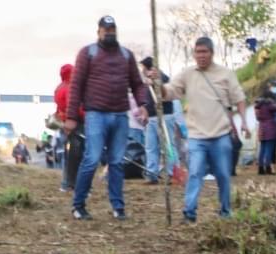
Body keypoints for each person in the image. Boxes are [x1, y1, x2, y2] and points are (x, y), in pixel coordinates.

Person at [148, 36, 249, 224]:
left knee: (223, 174)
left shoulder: (225, 74)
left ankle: (225, 210)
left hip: (220, 134)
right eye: (198, 52)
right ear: (193, 54)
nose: (201, 56)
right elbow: (169, 93)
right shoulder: (187, 74)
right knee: (195, 172)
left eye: (204, 52)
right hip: (196, 136)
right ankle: (189, 212)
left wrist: (243, 121)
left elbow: (239, 98)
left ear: (212, 53)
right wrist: (158, 83)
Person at [65, 15, 150, 221]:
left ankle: (118, 207)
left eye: (112, 30)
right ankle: (79, 204)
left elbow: (137, 84)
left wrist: (144, 105)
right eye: (105, 30)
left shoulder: (126, 55)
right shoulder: (88, 53)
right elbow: (76, 86)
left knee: (117, 162)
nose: (109, 33)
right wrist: (71, 116)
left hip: (120, 115)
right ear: (99, 32)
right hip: (96, 114)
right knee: (91, 159)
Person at [140, 57, 179, 185]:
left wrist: (156, 81)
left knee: (168, 145)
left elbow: (165, 94)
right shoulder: (146, 82)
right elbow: (146, 100)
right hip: (151, 118)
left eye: (143, 68)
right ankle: (152, 174)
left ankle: (172, 173)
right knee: (151, 146)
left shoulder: (163, 77)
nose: (142, 70)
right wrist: (145, 110)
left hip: (165, 116)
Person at [54, 63, 83, 192]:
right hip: (75, 124)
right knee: (77, 155)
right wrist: (86, 115)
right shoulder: (71, 88)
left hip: (63, 124)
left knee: (68, 155)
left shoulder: (58, 88)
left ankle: (66, 183)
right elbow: (75, 108)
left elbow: (58, 108)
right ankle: (74, 184)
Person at [253, 85, 276, 175]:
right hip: (270, 129)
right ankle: (268, 168)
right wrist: (275, 102)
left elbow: (257, 117)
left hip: (262, 129)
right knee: (269, 149)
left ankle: (261, 169)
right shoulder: (269, 105)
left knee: (262, 149)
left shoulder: (258, 106)